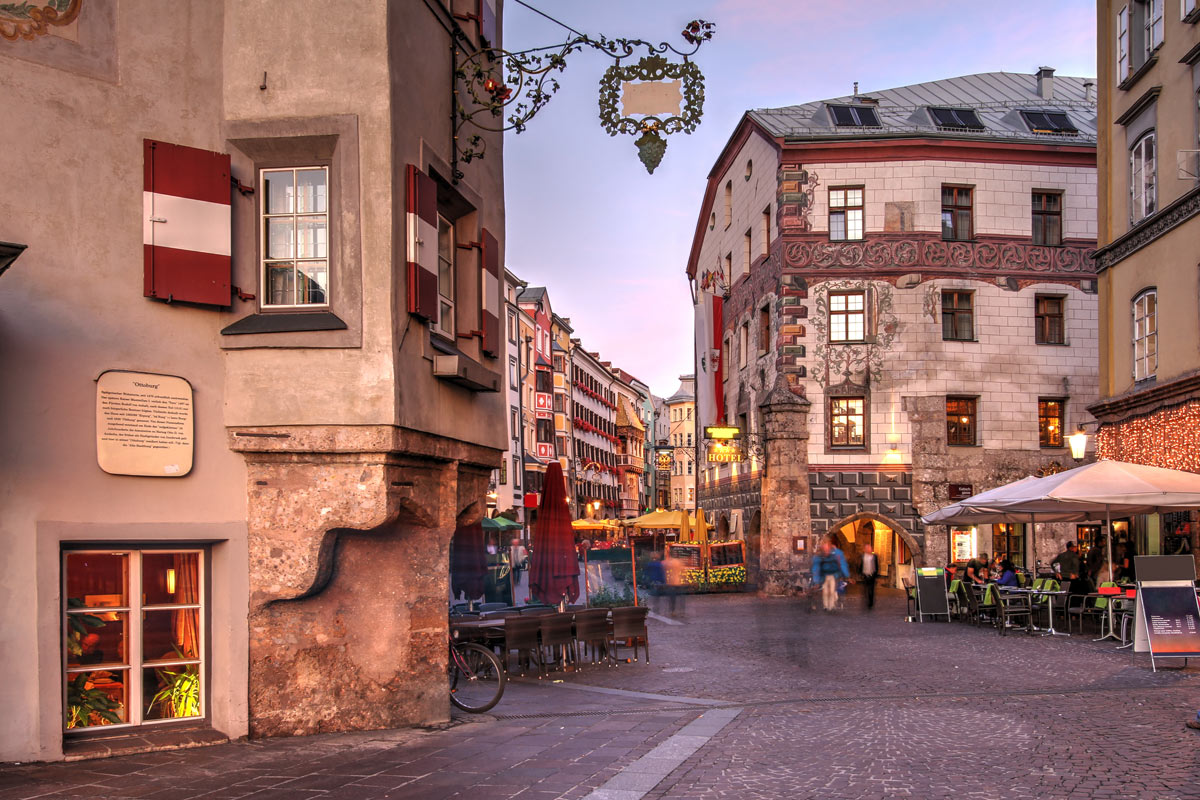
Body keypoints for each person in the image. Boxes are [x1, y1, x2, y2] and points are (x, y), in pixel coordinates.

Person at [811, 538, 850, 612]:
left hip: (833, 575)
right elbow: (816, 567)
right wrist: (816, 580)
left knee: (832, 591)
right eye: (824, 548)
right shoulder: (820, 555)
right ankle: (826, 606)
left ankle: (831, 606)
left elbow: (842, 564)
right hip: (824, 576)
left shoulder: (835, 553)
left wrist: (846, 575)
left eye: (827, 547)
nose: (826, 550)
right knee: (825, 591)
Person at [661, 549, 686, 615]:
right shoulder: (679, 562)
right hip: (678, 582)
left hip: (671, 582)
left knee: (672, 597)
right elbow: (683, 570)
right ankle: (682, 610)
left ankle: (672, 611)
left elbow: (662, 565)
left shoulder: (669, 562)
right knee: (681, 596)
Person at [860, 542, 878, 610]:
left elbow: (876, 565)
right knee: (866, 588)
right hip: (865, 574)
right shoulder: (863, 556)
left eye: (870, 548)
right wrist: (861, 572)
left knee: (871, 589)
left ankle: (870, 602)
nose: (869, 549)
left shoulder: (874, 556)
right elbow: (861, 565)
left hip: (872, 574)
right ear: (865, 549)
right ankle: (866, 598)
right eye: (867, 548)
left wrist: (875, 574)